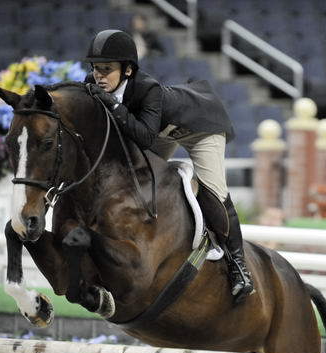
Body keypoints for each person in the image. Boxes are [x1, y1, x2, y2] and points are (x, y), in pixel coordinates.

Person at [82, 29, 254, 302]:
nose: (98, 75)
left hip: (200, 127)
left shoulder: (147, 88)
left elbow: (145, 137)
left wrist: (113, 106)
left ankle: (239, 268)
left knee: (215, 191)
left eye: (106, 69)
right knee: (134, 171)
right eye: (95, 68)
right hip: (163, 130)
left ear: (127, 71)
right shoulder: (96, 85)